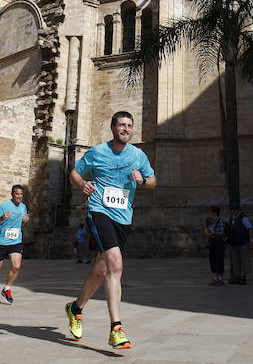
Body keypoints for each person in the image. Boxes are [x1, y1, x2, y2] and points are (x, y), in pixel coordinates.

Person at [64, 111, 156, 350]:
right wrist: (82, 184)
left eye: (129, 126)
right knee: (115, 264)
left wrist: (142, 181)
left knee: (102, 269)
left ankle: (75, 309)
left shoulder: (138, 155)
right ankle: (116, 329)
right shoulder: (97, 152)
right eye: (122, 125)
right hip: (99, 211)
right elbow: (74, 172)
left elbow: (153, 180)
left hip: (123, 217)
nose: (126, 129)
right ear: (113, 128)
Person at [0, 185, 30, 304]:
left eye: (21, 194)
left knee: (16, 266)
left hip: (15, 241)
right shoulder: (4, 206)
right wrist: (2, 217)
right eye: (17, 194)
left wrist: (25, 220)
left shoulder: (23, 207)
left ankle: (7, 289)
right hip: (0, 241)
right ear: (12, 194)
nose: (19, 196)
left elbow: (23, 219)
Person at [227, 202, 253, 285]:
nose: (234, 211)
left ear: (238, 209)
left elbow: (250, 228)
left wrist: (251, 240)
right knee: (235, 261)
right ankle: (237, 277)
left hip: (242, 243)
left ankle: (243, 277)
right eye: (232, 209)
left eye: (235, 209)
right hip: (234, 243)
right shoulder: (232, 219)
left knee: (244, 260)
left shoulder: (243, 218)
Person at [204, 206, 226, 285]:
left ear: (214, 213)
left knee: (219, 260)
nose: (210, 214)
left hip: (219, 243)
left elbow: (221, 233)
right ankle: (215, 278)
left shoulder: (220, 221)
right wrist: (207, 232)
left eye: (211, 212)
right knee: (212, 260)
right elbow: (208, 231)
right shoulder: (211, 222)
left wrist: (213, 232)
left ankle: (220, 278)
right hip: (212, 243)